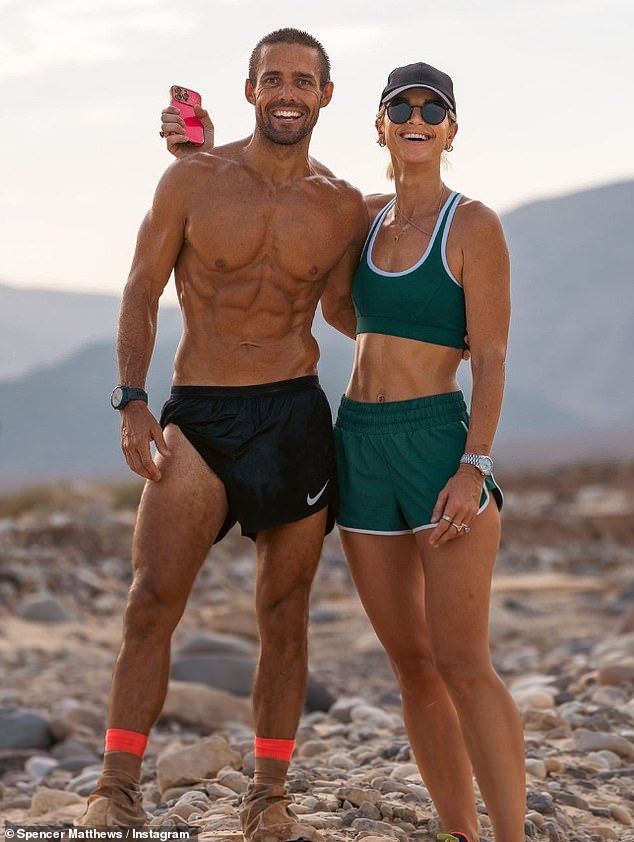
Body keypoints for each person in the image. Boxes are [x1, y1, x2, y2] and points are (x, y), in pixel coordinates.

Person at [161, 59, 527, 842]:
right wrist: (196, 155)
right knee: (412, 664)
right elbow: (280, 190)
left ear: (452, 128)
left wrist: (476, 462)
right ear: (382, 124)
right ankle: (459, 832)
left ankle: (513, 836)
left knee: (462, 659)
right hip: (356, 441)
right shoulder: (361, 216)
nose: (417, 118)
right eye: (402, 106)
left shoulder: (475, 226)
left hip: (439, 443)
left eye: (434, 108)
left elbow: (492, 358)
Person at [75, 28, 367, 842]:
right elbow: (141, 287)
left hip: (294, 416)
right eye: (273, 78)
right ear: (249, 90)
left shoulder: (342, 203)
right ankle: (117, 786)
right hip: (200, 415)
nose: (287, 91)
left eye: (303, 81)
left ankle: (267, 797)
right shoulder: (192, 179)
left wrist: (422, 253)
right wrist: (132, 399)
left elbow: (345, 312)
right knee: (150, 601)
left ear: (325, 96)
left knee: (286, 609)